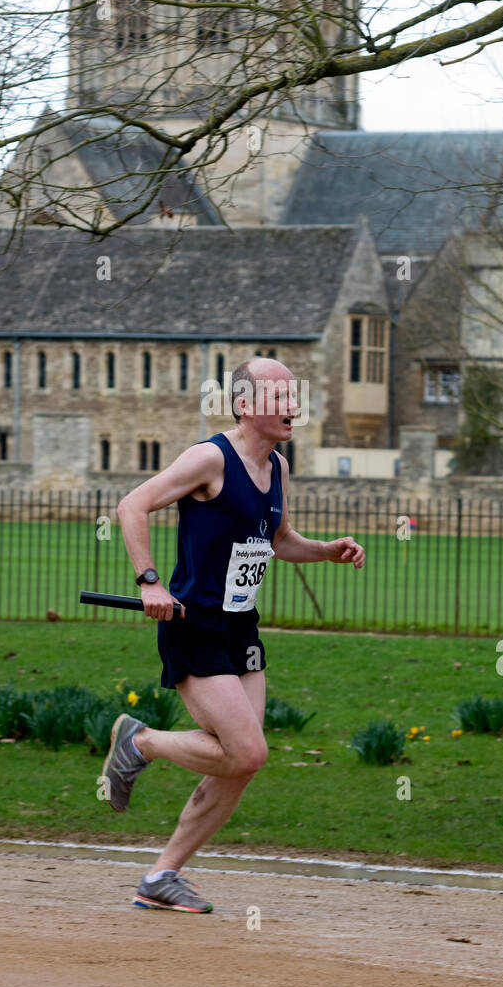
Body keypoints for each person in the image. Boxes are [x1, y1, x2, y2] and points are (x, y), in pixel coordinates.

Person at [104, 356, 365, 912]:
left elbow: (278, 540)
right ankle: (140, 741)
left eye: (295, 394)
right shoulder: (209, 459)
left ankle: (160, 877)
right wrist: (149, 581)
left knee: (240, 764)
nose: (292, 405)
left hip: (240, 626)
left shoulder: (279, 468)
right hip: (191, 622)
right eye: (279, 396)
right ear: (245, 406)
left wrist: (327, 551)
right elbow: (133, 504)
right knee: (247, 752)